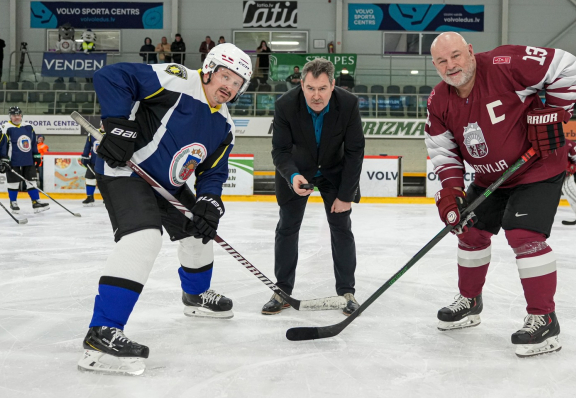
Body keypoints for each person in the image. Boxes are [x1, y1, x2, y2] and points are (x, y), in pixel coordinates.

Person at [77, 43, 253, 375]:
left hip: (166, 184)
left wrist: (209, 200)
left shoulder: (225, 127)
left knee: (201, 231)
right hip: (126, 170)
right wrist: (117, 124)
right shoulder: (178, 79)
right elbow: (113, 76)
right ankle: (101, 332)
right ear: (209, 69)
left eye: (237, 82)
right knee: (144, 238)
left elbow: (213, 171)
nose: (229, 86)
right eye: (225, 76)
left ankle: (196, 297)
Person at [424, 32, 576, 357]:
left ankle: (544, 319)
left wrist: (553, 113)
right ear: (434, 65)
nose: (451, 65)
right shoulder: (439, 100)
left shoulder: (505, 64)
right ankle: (470, 302)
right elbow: (442, 150)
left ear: (469, 51)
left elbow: (569, 67)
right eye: (442, 61)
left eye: (455, 55)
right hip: (490, 176)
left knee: (523, 233)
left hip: (538, 166)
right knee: (470, 230)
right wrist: (453, 192)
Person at [266, 58, 365, 316]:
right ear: (302, 84)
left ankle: (346, 292)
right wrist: (293, 176)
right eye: (310, 88)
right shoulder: (285, 104)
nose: (316, 95)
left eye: (322, 88)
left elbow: (355, 152)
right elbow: (280, 150)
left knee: (341, 228)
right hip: (298, 171)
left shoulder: (349, 104)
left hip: (335, 171)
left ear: (332, 85)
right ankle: (282, 290)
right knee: (287, 227)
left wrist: (345, 196)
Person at [1, 106, 49, 214]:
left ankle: (36, 202)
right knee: (13, 183)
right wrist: (4, 158)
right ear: (10, 116)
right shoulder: (6, 127)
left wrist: (36, 155)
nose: (16, 117)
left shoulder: (29, 126)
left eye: (18, 115)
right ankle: (13, 203)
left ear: (21, 115)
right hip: (13, 160)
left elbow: (32, 143)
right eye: (14, 115)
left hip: (28, 159)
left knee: (32, 181)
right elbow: (3, 144)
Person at [79, 125, 102, 206]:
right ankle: (90, 197)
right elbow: (87, 146)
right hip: (93, 161)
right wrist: (84, 156)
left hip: (106, 163)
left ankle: (106, 198)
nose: (104, 125)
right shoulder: (93, 133)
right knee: (89, 179)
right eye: (102, 124)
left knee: (106, 181)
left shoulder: (110, 133)